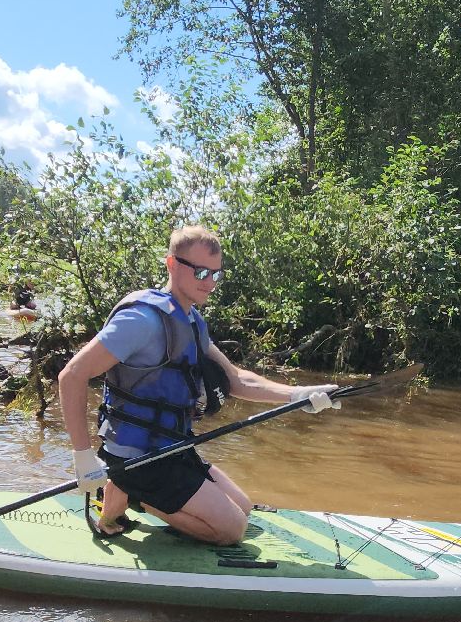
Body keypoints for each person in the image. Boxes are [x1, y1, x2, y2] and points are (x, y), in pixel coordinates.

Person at [58, 225, 338, 545]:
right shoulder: (141, 320)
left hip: (173, 447)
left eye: (217, 275)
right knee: (231, 530)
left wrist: (300, 395)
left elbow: (236, 379)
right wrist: (82, 456)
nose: (210, 284)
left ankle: (125, 497)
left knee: (244, 509)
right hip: (137, 458)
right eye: (202, 272)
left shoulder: (191, 320)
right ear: (172, 264)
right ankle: (139, 494)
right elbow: (72, 376)